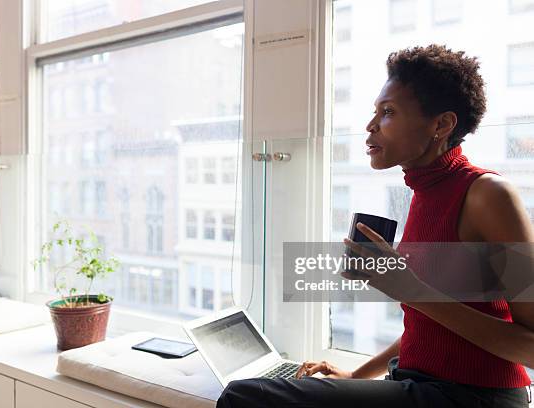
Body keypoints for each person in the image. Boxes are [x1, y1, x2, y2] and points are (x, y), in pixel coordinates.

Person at [216, 44, 533, 408]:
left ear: (441, 124)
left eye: (388, 112)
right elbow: (429, 326)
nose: (370, 126)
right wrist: (357, 374)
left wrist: (409, 289)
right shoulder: (424, 193)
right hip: (416, 381)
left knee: (243, 398)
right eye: (375, 112)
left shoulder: (489, 195)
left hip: (474, 397)